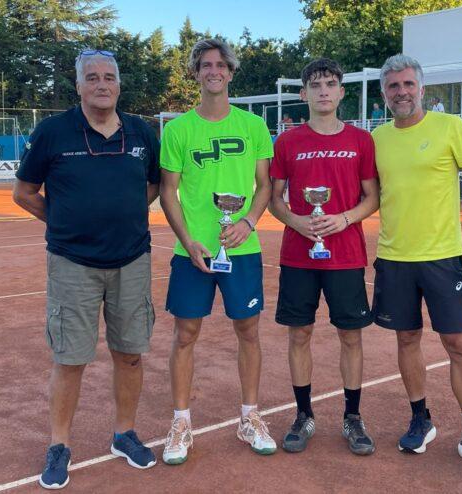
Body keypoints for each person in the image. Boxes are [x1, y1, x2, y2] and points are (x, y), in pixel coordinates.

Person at [13, 49, 161, 489]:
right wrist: (63, 223)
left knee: (130, 354)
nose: (102, 84)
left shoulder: (140, 132)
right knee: (70, 358)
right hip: (72, 264)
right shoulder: (53, 132)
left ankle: (124, 434)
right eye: (92, 77)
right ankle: (59, 445)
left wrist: (125, 216)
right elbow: (24, 192)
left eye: (109, 77)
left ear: (118, 84)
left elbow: (152, 185)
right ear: (78, 86)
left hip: (132, 261)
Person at [371, 54, 462, 475]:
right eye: (394, 86)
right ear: (384, 94)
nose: (402, 92)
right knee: (406, 340)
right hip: (393, 259)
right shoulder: (376, 138)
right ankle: (420, 419)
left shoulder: (450, 127)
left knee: (459, 345)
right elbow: (370, 196)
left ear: (422, 88)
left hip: (443, 258)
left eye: (408, 84)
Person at [158, 38, 276, 465]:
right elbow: (168, 192)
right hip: (192, 251)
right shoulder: (177, 130)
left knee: (248, 331)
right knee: (185, 334)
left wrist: (246, 223)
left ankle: (249, 417)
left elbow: (265, 186)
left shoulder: (254, 126)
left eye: (220, 65)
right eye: (205, 65)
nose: (213, 71)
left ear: (230, 71)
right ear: (196, 72)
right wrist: (188, 239)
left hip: (242, 249)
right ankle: (181, 423)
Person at [269, 58, 380, 456]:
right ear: (304, 94)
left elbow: (373, 198)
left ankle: (353, 417)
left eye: (330, 84)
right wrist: (299, 223)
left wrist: (344, 218)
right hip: (299, 255)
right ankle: (303, 414)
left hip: (346, 256)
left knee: (351, 336)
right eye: (315, 85)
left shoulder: (361, 141)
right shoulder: (287, 142)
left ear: (342, 91)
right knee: (299, 334)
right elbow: (274, 200)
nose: (323, 91)